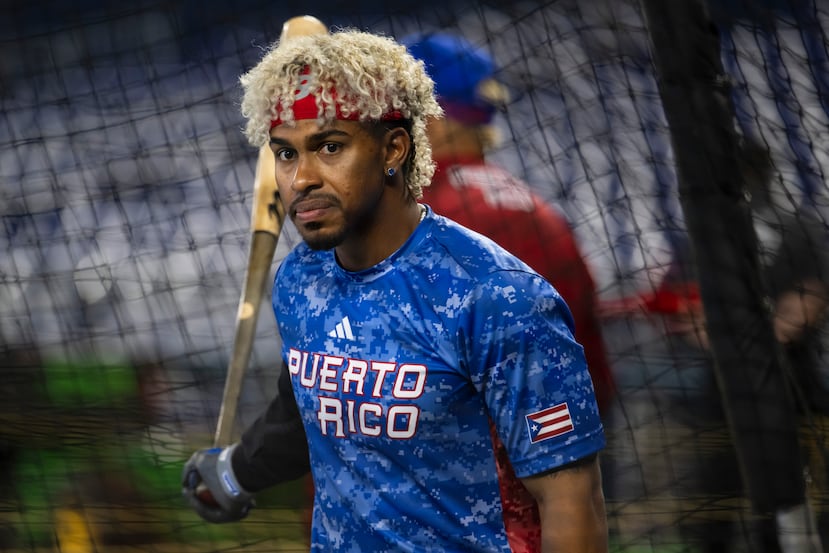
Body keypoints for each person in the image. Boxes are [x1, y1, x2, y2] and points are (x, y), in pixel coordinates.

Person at [181, 28, 608, 552]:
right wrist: (234, 471)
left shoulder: (498, 295)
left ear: (394, 148)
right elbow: (308, 412)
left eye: (330, 147)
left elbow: (572, 502)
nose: (301, 178)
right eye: (286, 154)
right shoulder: (299, 279)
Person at [402, 31, 616, 552]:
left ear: (428, 118)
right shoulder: (540, 210)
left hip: (450, 492)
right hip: (561, 471)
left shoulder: (414, 213)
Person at [638, 136, 829, 552]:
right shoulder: (799, 225)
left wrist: (735, 338)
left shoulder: (706, 232)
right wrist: (764, 335)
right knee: (783, 498)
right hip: (785, 381)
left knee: (720, 498)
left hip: (737, 381)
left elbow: (689, 314)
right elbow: (808, 301)